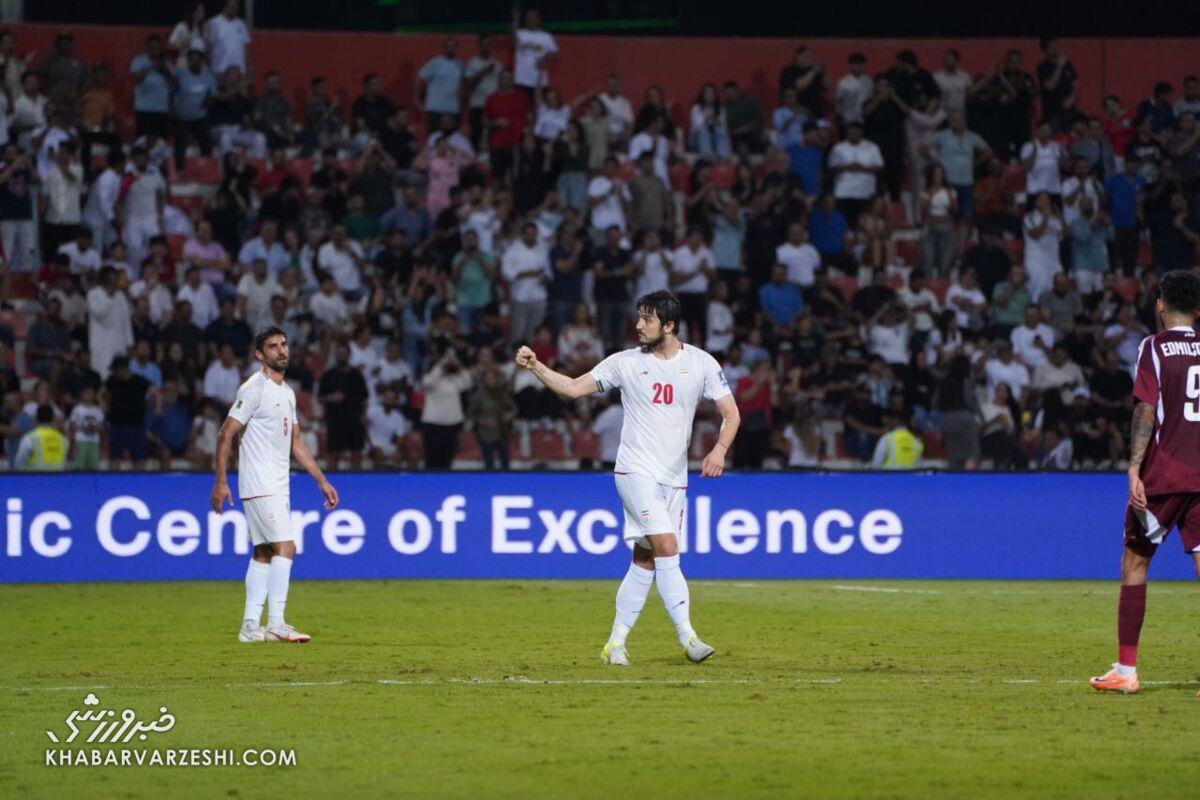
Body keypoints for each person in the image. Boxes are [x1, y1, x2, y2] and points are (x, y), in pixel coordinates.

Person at [514, 290, 740, 666]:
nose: (638, 325)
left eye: (647, 319)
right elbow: (572, 388)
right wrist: (535, 365)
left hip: (674, 477)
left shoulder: (701, 363)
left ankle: (615, 645)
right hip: (634, 471)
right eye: (638, 317)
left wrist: (718, 451)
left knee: (645, 560)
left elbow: (731, 414)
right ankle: (689, 638)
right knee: (668, 548)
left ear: (668, 325)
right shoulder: (624, 364)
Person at [1090, 270, 1200, 694]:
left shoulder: (1154, 348)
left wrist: (1135, 467)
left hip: (1165, 474)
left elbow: (1145, 409)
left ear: (1159, 304)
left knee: (1135, 562)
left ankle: (1126, 671)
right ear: (1197, 309)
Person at [212, 326, 338, 645]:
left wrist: (321, 480)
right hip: (259, 481)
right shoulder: (254, 388)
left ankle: (250, 626)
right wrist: (220, 481)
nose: (281, 351)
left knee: (264, 553)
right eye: (273, 347)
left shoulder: (287, 392)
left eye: (284, 344)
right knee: (287, 546)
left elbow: (295, 441)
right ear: (260, 355)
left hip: (277, 484)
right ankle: (278, 623)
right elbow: (226, 433)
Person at [14, 404, 67, 471]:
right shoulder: (63, 439)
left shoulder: (30, 438)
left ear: (36, 419)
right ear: (53, 419)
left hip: (36, 479)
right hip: (58, 479)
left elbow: (19, 462)